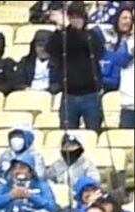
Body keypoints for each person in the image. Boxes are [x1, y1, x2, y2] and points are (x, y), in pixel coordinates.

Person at [48, 1, 105, 130]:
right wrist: (59, 29)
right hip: (69, 94)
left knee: (93, 132)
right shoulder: (62, 36)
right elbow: (51, 48)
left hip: (91, 94)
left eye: (79, 17)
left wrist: (71, 29)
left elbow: (87, 45)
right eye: (72, 17)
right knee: (68, 133)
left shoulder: (92, 35)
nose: (76, 21)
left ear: (84, 18)